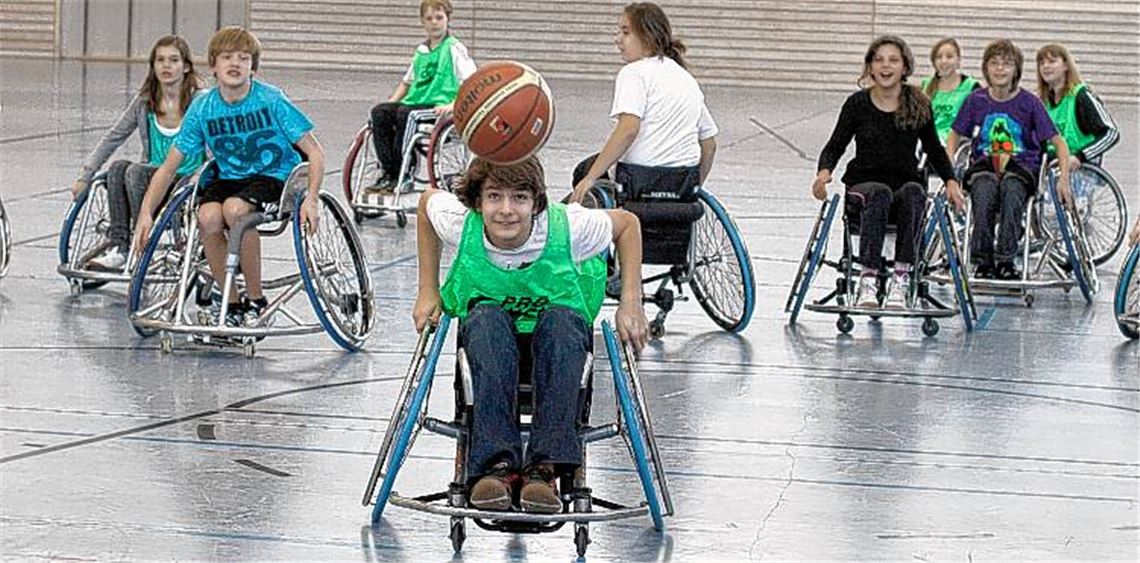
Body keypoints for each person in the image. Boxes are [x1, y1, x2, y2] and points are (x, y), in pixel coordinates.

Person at [414, 155, 647, 513]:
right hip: (489, 348)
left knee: (561, 320)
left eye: (519, 198)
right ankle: (497, 468)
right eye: (494, 197)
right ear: (477, 201)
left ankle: (544, 470)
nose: (506, 210)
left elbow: (627, 224)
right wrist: (427, 289)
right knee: (487, 315)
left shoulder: (569, 227)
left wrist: (631, 301)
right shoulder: (462, 224)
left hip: (558, 349)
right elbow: (427, 202)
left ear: (537, 203)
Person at [133, 26, 325, 326]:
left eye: (243, 58)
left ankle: (256, 299)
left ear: (253, 66)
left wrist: (311, 200)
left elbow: (315, 153)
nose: (235, 64)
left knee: (235, 210)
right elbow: (169, 167)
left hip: (274, 175)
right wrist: (146, 213)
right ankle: (231, 302)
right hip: (231, 177)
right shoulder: (203, 107)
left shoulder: (271, 100)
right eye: (227, 57)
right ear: (213, 64)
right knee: (208, 216)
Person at [813, 35, 960, 309]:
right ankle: (868, 278)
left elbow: (935, 150)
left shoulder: (918, 103)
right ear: (870, 67)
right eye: (879, 60)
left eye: (893, 60)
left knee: (915, 192)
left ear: (905, 67)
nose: (885, 65)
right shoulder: (857, 104)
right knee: (878, 193)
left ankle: (901, 277)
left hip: (903, 186)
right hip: (864, 186)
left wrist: (951, 180)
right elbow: (835, 144)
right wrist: (824, 173)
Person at [71, 35, 205, 272]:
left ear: (185, 66)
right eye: (160, 60)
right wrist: (86, 175)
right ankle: (121, 247)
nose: (166, 66)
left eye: (173, 60)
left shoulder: (200, 101)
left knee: (134, 172)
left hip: (185, 177)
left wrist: (204, 174)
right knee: (118, 167)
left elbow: (216, 143)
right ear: (153, 66)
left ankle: (142, 239)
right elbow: (114, 136)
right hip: (151, 173)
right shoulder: (145, 102)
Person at [946, 39, 1072, 280]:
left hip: (1021, 167)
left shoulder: (1030, 102)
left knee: (1012, 192)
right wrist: (948, 168)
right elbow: (954, 136)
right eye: (994, 64)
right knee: (983, 193)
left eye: (1006, 64)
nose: (1000, 69)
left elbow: (1059, 143)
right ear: (986, 68)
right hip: (985, 165)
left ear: (1016, 70)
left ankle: (1006, 260)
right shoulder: (976, 100)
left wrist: (1063, 179)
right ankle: (983, 261)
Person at [569, 1, 717, 204]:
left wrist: (590, 178)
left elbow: (628, 129)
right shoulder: (685, 78)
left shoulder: (634, 72)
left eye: (625, 32)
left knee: (584, 170)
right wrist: (693, 188)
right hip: (682, 182)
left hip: (639, 181)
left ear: (647, 37)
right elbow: (709, 145)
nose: (617, 39)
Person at [368, 0, 476, 192]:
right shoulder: (421, 52)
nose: (434, 22)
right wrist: (390, 103)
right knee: (380, 112)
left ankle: (404, 171)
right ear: (423, 22)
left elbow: (471, 82)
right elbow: (406, 82)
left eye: (439, 17)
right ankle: (389, 171)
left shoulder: (454, 48)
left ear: (447, 19)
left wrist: (453, 105)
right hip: (416, 102)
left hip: (439, 106)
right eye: (429, 18)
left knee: (406, 114)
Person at [1035, 43, 1119, 168]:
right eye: (1041, 63)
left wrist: (1081, 156)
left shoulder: (1081, 96)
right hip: (1052, 165)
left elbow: (1111, 133)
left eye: (1052, 61)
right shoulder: (1043, 103)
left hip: (1081, 168)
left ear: (1065, 65)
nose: (1045, 66)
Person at [921, 37, 981, 144]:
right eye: (939, 57)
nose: (944, 61)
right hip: (927, 143)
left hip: (956, 144)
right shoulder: (926, 85)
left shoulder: (971, 87)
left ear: (958, 60)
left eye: (949, 56)